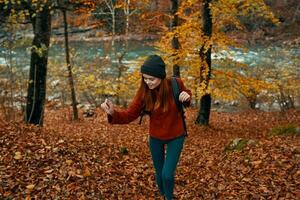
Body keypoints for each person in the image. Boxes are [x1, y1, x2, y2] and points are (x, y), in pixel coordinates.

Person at [100, 55, 192, 200]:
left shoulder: (175, 84)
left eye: (151, 79)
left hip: (176, 135)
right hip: (155, 137)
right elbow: (130, 115)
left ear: (161, 77)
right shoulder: (144, 92)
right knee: (159, 172)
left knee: (167, 175)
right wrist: (112, 113)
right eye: (145, 78)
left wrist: (186, 96)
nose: (147, 82)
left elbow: (186, 97)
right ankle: (163, 195)